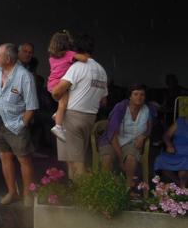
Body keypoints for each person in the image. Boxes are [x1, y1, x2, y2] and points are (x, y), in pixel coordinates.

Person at [51, 34, 108, 180]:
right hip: (90, 117)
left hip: (72, 118)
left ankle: (86, 197)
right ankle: (76, 194)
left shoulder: (78, 67)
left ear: (75, 49)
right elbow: (103, 102)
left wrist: (57, 99)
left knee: (76, 163)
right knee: (74, 159)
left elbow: (58, 91)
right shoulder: (101, 70)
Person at [0, 43, 39, 206]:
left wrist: (21, 124)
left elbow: (31, 106)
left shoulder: (25, 76)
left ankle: (28, 195)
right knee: (4, 157)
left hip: (16, 125)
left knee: (24, 159)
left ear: (8, 59)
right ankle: (12, 192)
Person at [98, 84, 156, 190]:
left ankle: (128, 188)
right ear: (130, 96)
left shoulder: (147, 109)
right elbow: (112, 135)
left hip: (131, 141)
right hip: (112, 140)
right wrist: (120, 159)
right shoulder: (120, 108)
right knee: (107, 158)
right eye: (136, 94)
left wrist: (143, 136)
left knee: (131, 158)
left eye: (142, 94)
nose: (139, 97)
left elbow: (149, 129)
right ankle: (104, 188)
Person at [46, 31, 88, 142]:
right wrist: (79, 54)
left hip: (51, 83)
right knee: (63, 104)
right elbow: (84, 59)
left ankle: (57, 115)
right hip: (60, 84)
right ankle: (58, 127)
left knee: (65, 102)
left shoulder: (52, 57)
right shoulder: (69, 54)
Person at [153, 106, 188, 188]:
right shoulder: (180, 121)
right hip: (175, 151)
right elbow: (167, 135)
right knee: (160, 159)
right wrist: (169, 145)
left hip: (186, 154)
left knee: (185, 163)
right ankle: (178, 183)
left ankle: (182, 187)